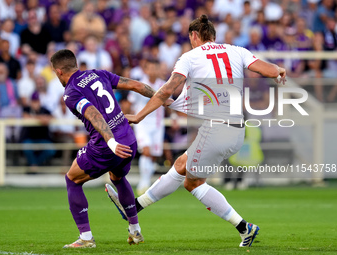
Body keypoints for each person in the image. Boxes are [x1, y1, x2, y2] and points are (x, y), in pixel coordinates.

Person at [107, 14, 286, 247]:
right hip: (236, 129)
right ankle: (135, 207)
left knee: (193, 183)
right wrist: (279, 70)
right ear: (214, 35)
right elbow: (268, 70)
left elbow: (166, 90)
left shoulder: (189, 57)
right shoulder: (236, 50)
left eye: (190, 37)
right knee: (181, 166)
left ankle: (245, 227)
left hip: (216, 129)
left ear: (194, 36)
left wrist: (140, 115)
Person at [50, 49, 166, 248]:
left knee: (72, 179)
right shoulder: (98, 73)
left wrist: (111, 143)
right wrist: (163, 98)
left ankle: (86, 238)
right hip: (129, 138)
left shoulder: (70, 93)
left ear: (59, 71)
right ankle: (135, 231)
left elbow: (94, 114)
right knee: (118, 177)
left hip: (107, 145)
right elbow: (136, 85)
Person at [127, 59, 166, 195]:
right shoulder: (139, 85)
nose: (153, 71)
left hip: (157, 124)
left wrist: (173, 118)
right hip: (142, 123)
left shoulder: (163, 85)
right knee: (147, 151)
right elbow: (131, 102)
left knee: (154, 155)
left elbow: (168, 103)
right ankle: (143, 183)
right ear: (145, 70)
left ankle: (147, 182)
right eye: (150, 68)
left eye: (156, 68)